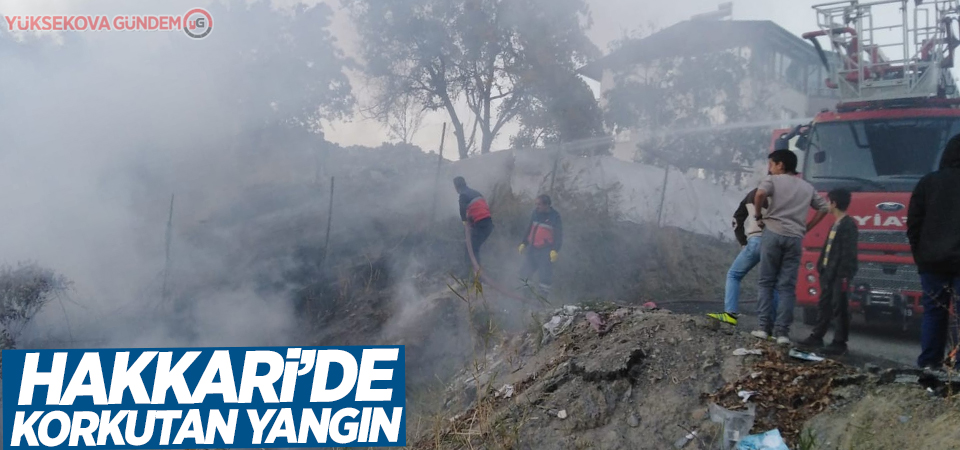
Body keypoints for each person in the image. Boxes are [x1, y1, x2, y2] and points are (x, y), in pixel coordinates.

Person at [753, 149, 830, 345]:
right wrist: (808, 227)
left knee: (766, 282)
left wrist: (758, 216)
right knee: (787, 287)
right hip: (795, 238)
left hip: (773, 233)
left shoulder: (772, 181)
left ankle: (763, 328)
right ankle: (782, 333)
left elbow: (760, 194)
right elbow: (824, 208)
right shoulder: (807, 187)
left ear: (781, 165)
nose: (770, 168)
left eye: (772, 164)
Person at [907, 134, 960, 371]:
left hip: (932, 263)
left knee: (934, 314)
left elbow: (914, 224)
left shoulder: (928, 182)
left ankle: (929, 363)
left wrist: (921, 255)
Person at [797, 188, 858, 355]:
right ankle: (817, 336)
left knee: (840, 307)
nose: (826, 205)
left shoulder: (848, 225)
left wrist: (843, 275)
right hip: (828, 273)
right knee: (824, 305)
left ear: (834, 203)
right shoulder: (835, 224)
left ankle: (839, 342)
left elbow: (848, 253)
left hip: (839, 275)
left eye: (828, 201)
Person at [707, 188, 779, 326]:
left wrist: (743, 242)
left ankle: (730, 314)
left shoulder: (752, 194)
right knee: (772, 284)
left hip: (755, 241)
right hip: (774, 243)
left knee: (734, 275)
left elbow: (736, 220)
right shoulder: (782, 195)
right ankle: (770, 327)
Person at [518, 194, 562, 298]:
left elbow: (559, 235)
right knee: (524, 273)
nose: (537, 206)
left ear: (546, 205)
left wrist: (555, 250)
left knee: (544, 277)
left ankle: (542, 301)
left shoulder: (555, 217)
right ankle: (526, 298)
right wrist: (524, 243)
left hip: (545, 251)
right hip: (533, 249)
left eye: (539, 204)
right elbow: (530, 229)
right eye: (536, 204)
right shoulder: (535, 213)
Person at [454, 176, 494, 279]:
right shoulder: (476, 193)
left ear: (456, 186)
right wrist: (471, 221)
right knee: (473, 248)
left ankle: (474, 276)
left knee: (471, 249)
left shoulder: (463, 195)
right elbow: (479, 209)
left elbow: (462, 208)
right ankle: (474, 274)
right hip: (488, 224)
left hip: (481, 225)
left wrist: (464, 220)